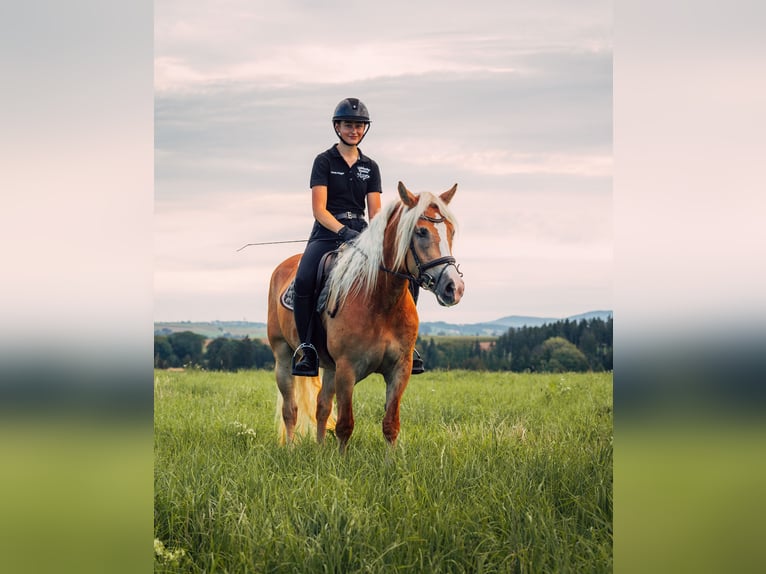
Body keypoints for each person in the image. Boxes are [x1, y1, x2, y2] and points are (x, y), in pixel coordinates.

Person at [291, 97, 425, 377]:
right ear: (337, 127)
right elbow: (319, 210)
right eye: (349, 125)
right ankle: (307, 349)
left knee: (407, 274)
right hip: (327, 233)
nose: (354, 130)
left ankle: (407, 344)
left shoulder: (370, 166)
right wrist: (342, 231)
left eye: (360, 125)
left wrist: (374, 236)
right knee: (304, 278)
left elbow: (375, 211)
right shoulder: (324, 161)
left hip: (363, 233)